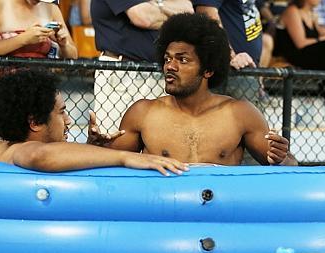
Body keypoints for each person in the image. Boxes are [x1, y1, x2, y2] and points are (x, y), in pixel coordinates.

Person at [103, 13, 296, 166]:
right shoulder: (142, 113)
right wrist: (95, 145)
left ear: (208, 70)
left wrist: (281, 159)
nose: (170, 66)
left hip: (220, 211)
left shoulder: (241, 114)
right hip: (166, 209)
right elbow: (106, 164)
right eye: (168, 58)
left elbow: (289, 166)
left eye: (183, 59)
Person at [0, 69, 188, 176]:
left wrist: (89, 148)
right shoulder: (24, 151)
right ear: (34, 122)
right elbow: (38, 155)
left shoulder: (0, 148)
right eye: (61, 113)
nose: (68, 121)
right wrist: (126, 157)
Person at [0, 0, 77, 134]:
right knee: (2, 142)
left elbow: (73, 54)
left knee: (42, 143)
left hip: (41, 88)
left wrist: (64, 43)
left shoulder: (51, 8)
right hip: (5, 88)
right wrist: (24, 39)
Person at [91, 0, 193, 136]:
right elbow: (142, 17)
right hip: (122, 72)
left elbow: (188, 11)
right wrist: (165, 8)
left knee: (159, 141)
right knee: (114, 140)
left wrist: (156, 8)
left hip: (159, 71)